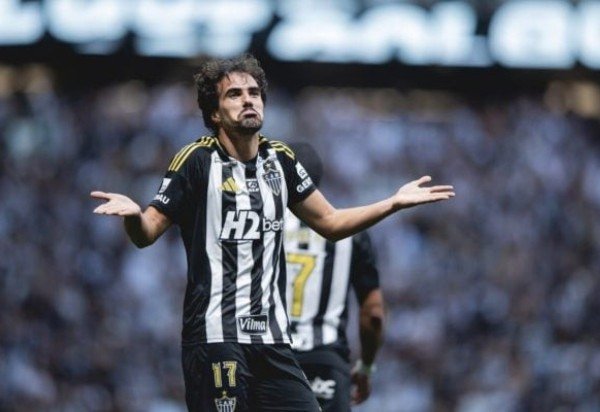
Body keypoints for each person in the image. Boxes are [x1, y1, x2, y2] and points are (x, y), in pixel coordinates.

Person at [90, 53, 454, 412]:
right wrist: (134, 216)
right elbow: (147, 232)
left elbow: (330, 222)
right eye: (234, 94)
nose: (248, 100)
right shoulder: (196, 160)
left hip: (274, 342)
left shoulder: (280, 159)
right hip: (218, 337)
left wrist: (393, 202)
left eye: (254, 92)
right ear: (214, 113)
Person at [284, 142, 384, 412]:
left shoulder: (258, 226)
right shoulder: (352, 233)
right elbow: (373, 313)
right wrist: (366, 366)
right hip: (325, 362)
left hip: (269, 360)